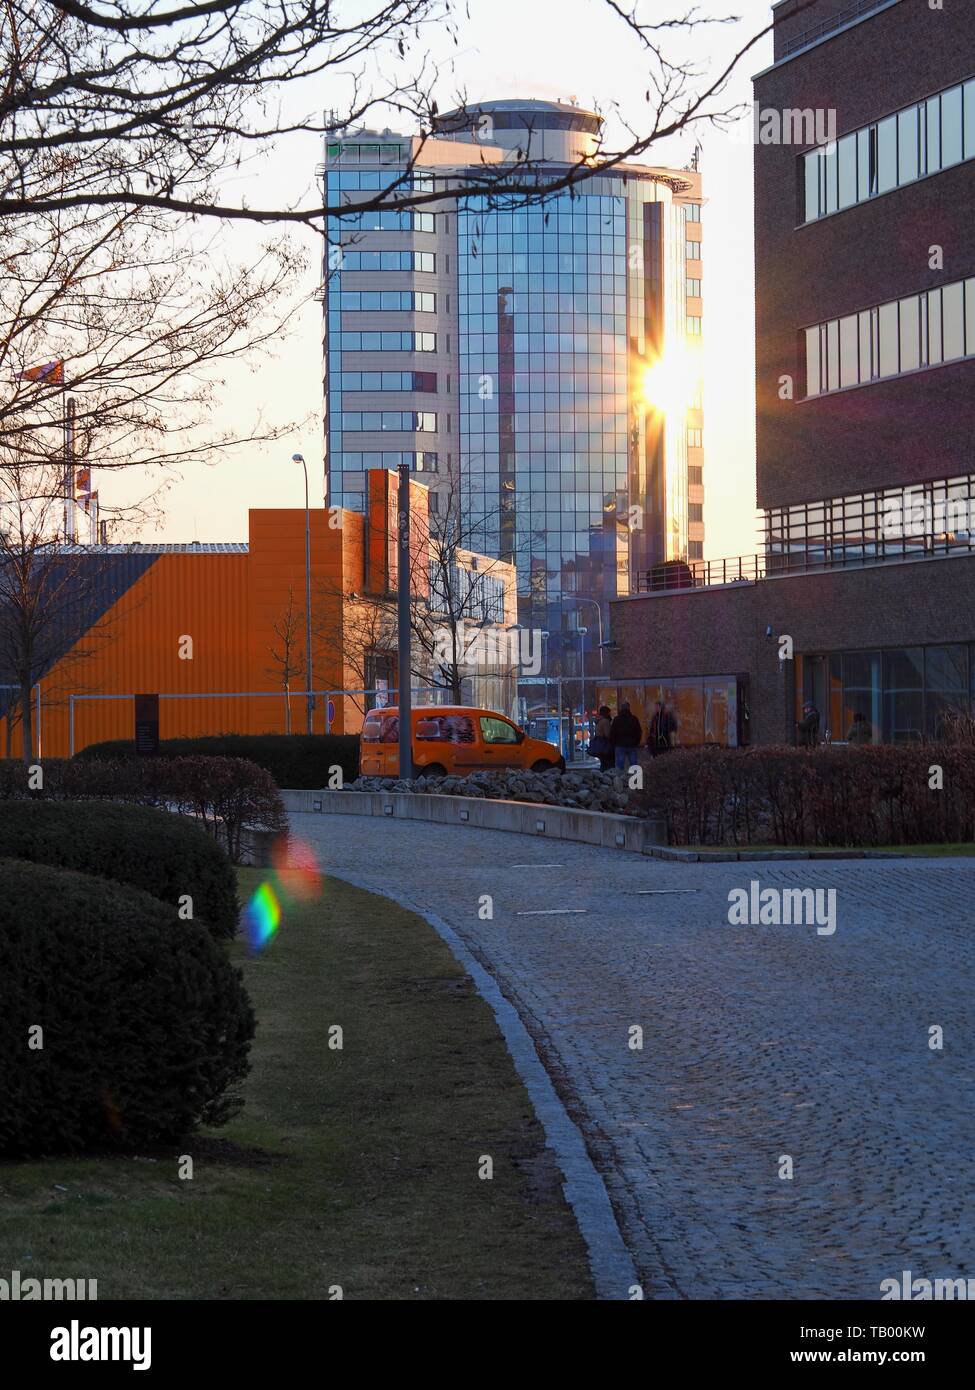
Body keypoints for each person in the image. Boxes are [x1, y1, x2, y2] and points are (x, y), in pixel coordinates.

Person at [610, 701, 642, 771]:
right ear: (629, 708)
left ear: (621, 709)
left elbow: (612, 733)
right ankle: (635, 780)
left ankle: (619, 780)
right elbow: (638, 732)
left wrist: (614, 743)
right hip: (632, 744)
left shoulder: (617, 719)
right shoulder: (634, 719)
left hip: (620, 744)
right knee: (634, 765)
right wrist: (636, 742)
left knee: (619, 766)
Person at [590, 705, 614, 771]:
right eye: (609, 713)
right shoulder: (605, 721)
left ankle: (602, 777)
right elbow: (607, 734)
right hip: (605, 745)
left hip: (600, 745)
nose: (610, 714)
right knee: (609, 764)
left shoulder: (599, 721)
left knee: (603, 763)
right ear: (606, 713)